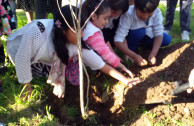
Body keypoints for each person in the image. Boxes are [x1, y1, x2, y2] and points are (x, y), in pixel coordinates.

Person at [6, 5, 140, 100]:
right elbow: (22, 58)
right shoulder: (37, 31)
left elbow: (99, 64)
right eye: (78, 30)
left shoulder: (74, 42)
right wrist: (27, 87)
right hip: (21, 54)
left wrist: (125, 80)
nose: (82, 35)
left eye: (83, 29)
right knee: (40, 72)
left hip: (46, 56)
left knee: (73, 70)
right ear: (64, 29)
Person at [82, 0, 135, 78]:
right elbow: (105, 53)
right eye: (105, 18)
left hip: (84, 57)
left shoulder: (89, 24)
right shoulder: (93, 34)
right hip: (85, 61)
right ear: (93, 16)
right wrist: (121, 66)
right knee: (101, 60)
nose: (107, 22)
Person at [114, 0, 172, 66]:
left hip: (146, 34)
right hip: (132, 35)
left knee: (167, 39)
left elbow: (158, 34)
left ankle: (141, 46)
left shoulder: (157, 12)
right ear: (135, 6)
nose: (145, 17)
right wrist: (134, 56)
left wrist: (153, 54)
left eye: (149, 15)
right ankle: (130, 50)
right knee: (140, 32)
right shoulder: (128, 13)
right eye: (141, 15)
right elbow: (118, 40)